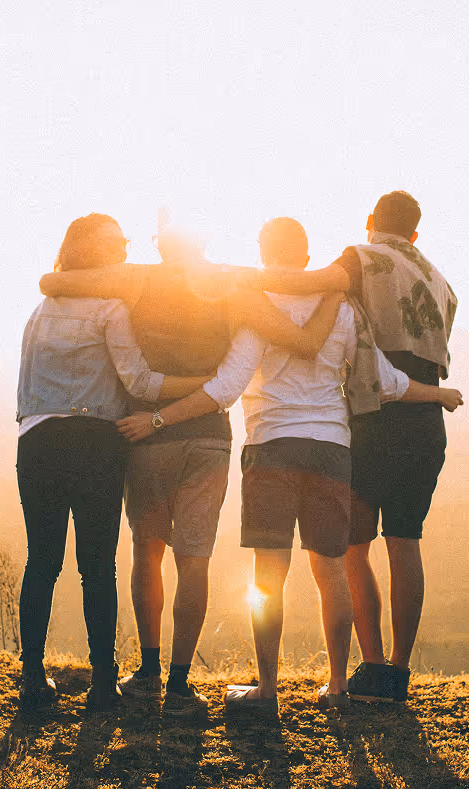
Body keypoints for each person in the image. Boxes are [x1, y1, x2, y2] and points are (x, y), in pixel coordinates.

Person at [117, 217, 463, 714]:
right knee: (332, 573)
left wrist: (158, 419)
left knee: (268, 577)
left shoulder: (258, 307)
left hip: (271, 448)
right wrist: (441, 394)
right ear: (306, 258)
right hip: (332, 450)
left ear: (263, 253)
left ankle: (266, 690)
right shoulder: (343, 308)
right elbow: (386, 381)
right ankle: (339, 687)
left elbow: (226, 388)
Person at [39, 223, 346, 716]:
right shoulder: (231, 282)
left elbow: (54, 284)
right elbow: (298, 323)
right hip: (208, 436)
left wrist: (55, 282)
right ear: (203, 241)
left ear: (160, 243)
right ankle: (181, 686)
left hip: (148, 433)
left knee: (148, 550)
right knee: (195, 558)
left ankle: (148, 672)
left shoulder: (134, 278)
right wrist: (334, 283)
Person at [16, 214, 213, 711]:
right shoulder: (111, 307)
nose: (125, 250)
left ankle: (33, 678)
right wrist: (205, 386)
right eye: (118, 243)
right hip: (96, 444)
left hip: (36, 441)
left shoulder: (41, 310)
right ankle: (104, 683)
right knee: (97, 568)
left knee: (41, 562)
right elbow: (141, 384)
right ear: (97, 253)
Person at [331, 191, 459, 702]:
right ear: (416, 233)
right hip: (426, 421)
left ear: (370, 222)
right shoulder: (441, 281)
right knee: (405, 540)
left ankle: (373, 664)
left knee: (354, 543)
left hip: (374, 416)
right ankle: (400, 672)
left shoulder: (359, 258)